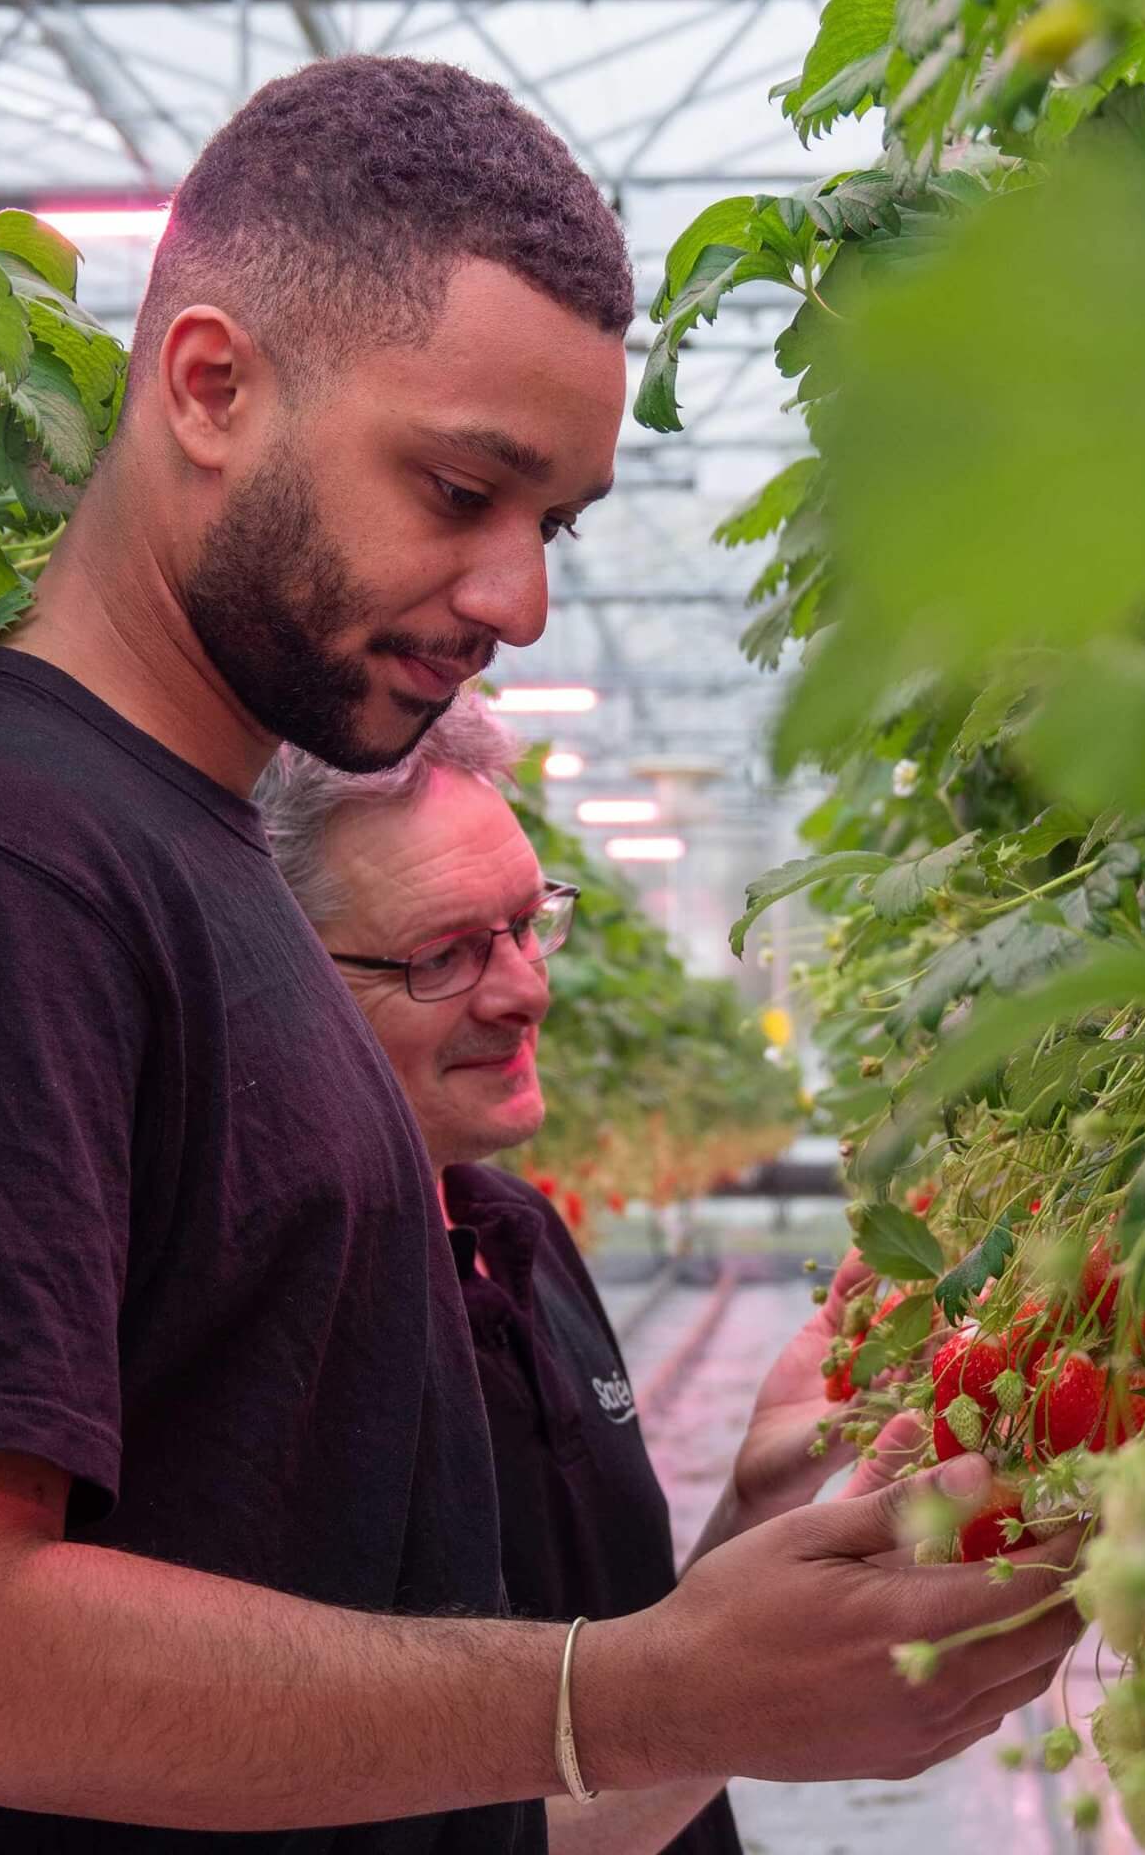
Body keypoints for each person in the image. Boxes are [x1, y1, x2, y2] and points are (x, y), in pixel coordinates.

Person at [0, 54, 1081, 1855]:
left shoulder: (203, 862)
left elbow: (381, 1726)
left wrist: (736, 1603)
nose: (521, 598)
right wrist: (639, 1691)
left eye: (554, 524)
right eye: (457, 490)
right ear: (209, 385)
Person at [262, 697, 958, 1855]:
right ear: (275, 971)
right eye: (443, 954)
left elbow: (634, 1667)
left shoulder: (516, 1231)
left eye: (527, 924)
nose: (525, 988)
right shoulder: (283, 1321)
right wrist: (771, 1704)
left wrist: (761, 1499)